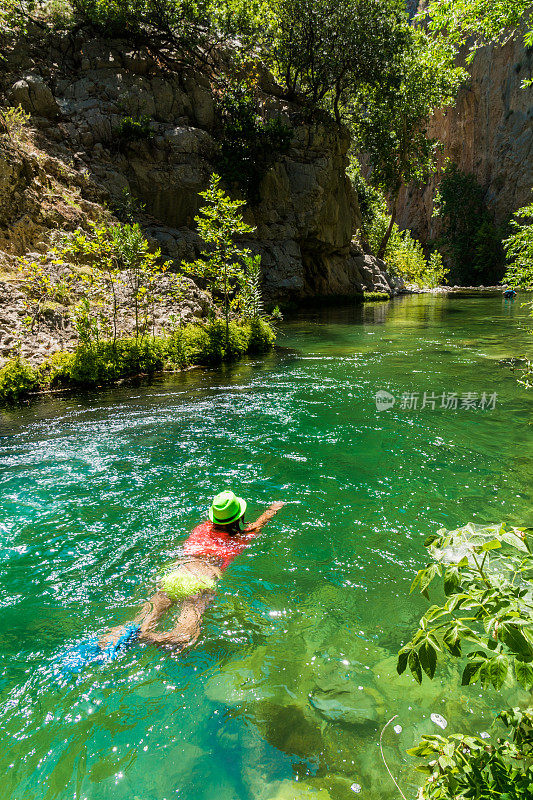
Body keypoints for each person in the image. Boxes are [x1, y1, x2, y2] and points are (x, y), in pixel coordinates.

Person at [100, 491, 284, 654]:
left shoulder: (202, 528)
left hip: (176, 574)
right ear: (239, 518)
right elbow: (260, 523)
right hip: (201, 581)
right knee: (184, 638)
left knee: (141, 620)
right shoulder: (242, 537)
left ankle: (119, 636)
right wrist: (273, 509)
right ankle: (148, 638)